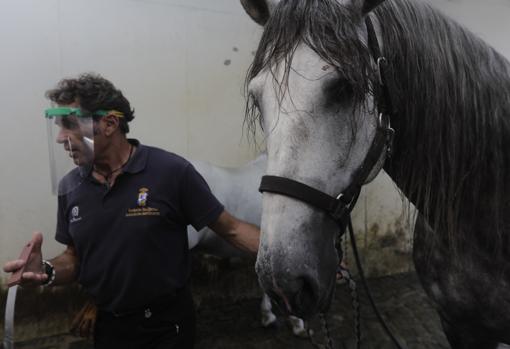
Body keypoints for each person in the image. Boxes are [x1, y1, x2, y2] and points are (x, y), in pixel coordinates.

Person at [3, 73, 260, 349]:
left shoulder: (171, 172)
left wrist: (291, 256)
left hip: (167, 327)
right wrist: (46, 271)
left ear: (110, 123)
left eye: (69, 124)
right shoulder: (72, 187)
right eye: (58, 126)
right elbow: (75, 258)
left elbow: (231, 229)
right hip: (109, 329)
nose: (60, 137)